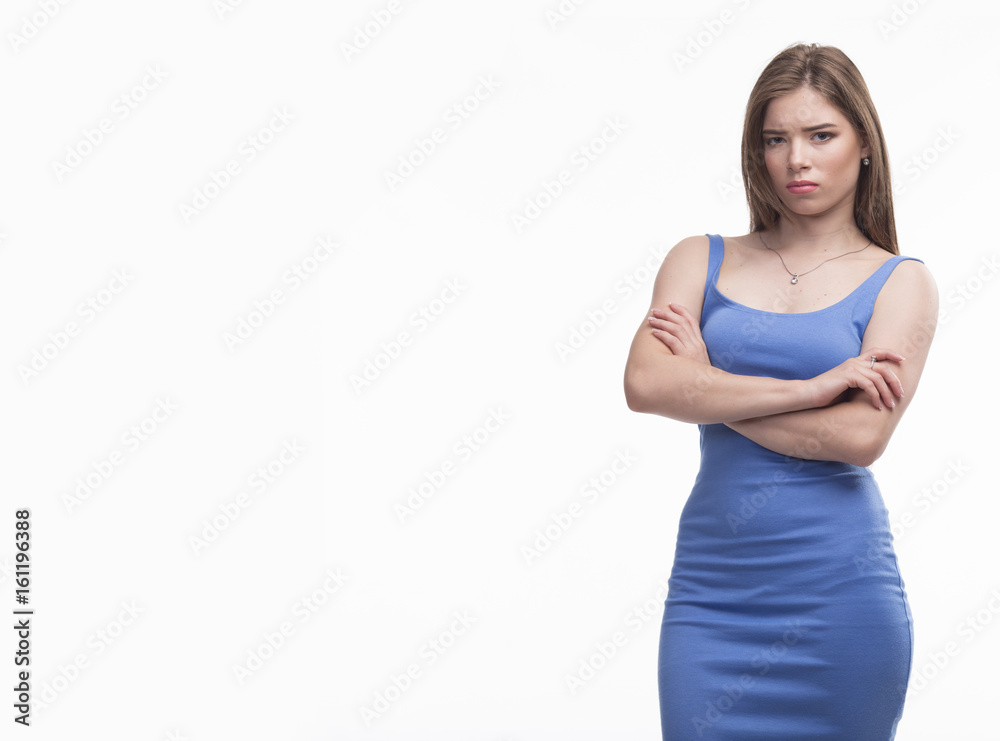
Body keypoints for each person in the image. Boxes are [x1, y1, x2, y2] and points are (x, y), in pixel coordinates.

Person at [623, 43, 938, 740]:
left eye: (821, 135)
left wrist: (708, 385)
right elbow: (646, 385)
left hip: (841, 600)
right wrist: (818, 387)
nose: (797, 159)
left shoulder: (901, 281)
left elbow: (858, 438)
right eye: (776, 139)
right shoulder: (699, 258)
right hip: (713, 598)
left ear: (864, 144)